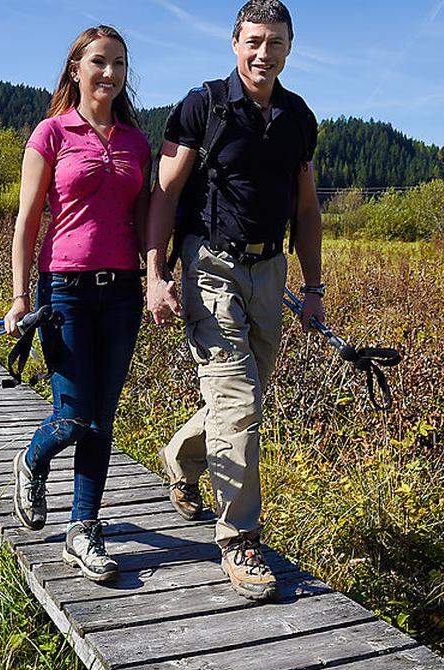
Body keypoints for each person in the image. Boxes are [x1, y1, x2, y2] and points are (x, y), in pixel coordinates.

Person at [145, 0, 326, 601]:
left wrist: (314, 287)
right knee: (239, 399)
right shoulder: (203, 107)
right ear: (234, 43)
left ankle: (180, 457)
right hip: (210, 266)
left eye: (275, 42)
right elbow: (165, 196)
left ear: (290, 48)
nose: (262, 53)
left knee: (247, 398)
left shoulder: (299, 118)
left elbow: (306, 209)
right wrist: (155, 274)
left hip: (270, 269)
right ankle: (239, 538)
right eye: (253, 41)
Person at [4, 25, 151, 582]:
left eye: (118, 63)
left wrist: (157, 275)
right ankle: (32, 458)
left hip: (121, 291)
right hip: (63, 287)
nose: (109, 73)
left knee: (103, 418)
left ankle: (82, 528)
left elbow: (145, 220)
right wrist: (20, 296)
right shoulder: (51, 132)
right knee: (75, 414)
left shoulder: (137, 140)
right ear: (75, 69)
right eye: (98, 62)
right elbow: (27, 222)